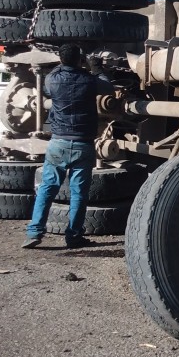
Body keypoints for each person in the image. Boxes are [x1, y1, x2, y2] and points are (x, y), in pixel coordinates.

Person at [22, 43, 113, 249]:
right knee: (79, 193)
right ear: (79, 59)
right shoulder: (89, 81)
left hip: (58, 143)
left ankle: (34, 232)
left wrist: (65, 65)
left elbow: (47, 87)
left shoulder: (52, 79)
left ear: (61, 60)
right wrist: (96, 68)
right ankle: (73, 236)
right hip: (83, 144)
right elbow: (108, 87)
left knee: (47, 188)